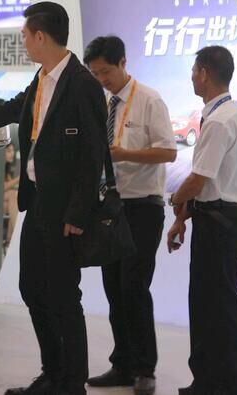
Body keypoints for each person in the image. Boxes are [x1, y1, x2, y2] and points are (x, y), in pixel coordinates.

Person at [0, 1, 107, 395]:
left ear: (41, 36)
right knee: (32, 288)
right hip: (38, 202)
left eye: (26, 35)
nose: (24, 42)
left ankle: (71, 383)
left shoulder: (82, 84)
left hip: (65, 210)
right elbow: (16, 108)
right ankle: (53, 372)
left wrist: (78, 214)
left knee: (64, 296)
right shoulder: (43, 77)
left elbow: (93, 155)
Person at [83, 36, 177, 395]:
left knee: (134, 288)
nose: (102, 79)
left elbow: (168, 152)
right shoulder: (104, 103)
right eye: (96, 74)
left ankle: (144, 369)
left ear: (123, 62)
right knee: (113, 289)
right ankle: (121, 364)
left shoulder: (150, 100)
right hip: (110, 206)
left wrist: (125, 154)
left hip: (142, 208)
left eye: (106, 71)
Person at [166, 46, 237, 395]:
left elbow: (199, 179)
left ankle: (230, 386)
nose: (191, 77)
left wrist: (175, 199)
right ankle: (207, 381)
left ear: (204, 73)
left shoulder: (219, 121)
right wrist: (184, 217)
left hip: (220, 221)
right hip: (217, 217)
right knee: (207, 303)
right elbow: (208, 184)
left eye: (193, 71)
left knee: (219, 304)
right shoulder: (231, 115)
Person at [3, 142, 21, 250]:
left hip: (5, 203)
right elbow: (2, 187)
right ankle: (15, 237)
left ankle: (10, 241)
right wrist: (18, 179)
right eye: (9, 151)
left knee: (15, 199)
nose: (12, 153)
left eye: (13, 150)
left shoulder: (8, 169)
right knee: (12, 195)